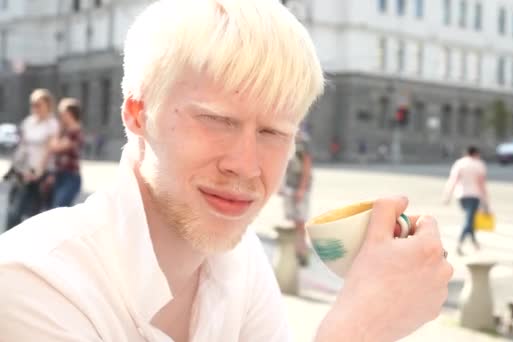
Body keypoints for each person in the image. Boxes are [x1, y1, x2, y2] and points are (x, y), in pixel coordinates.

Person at [0, 1, 452, 341]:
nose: (246, 164)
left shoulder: (240, 260)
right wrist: (362, 327)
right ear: (137, 114)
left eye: (275, 132)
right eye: (216, 121)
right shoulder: (33, 281)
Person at [7, 88, 59, 228]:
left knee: (33, 212)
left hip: (39, 173)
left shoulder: (52, 124)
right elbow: (22, 147)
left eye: (38, 104)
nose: (35, 107)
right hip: (23, 171)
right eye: (33, 104)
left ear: (48, 105)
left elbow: (49, 150)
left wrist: (38, 171)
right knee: (13, 209)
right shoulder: (28, 122)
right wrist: (14, 167)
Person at [443, 146, 490, 256]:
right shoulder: (479, 164)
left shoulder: (459, 163)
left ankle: (475, 243)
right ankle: (460, 243)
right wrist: (486, 201)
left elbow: (453, 180)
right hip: (474, 195)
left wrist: (447, 195)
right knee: (469, 220)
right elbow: (481, 184)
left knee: (470, 219)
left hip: (461, 195)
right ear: (476, 153)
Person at [282, 131, 313, 266]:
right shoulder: (289, 142)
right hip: (290, 186)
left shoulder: (303, 144)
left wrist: (301, 189)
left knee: (300, 221)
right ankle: (298, 249)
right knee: (294, 221)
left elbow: (307, 168)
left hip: (300, 188)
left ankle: (303, 252)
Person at [48, 98, 84, 208]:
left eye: (63, 113)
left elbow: (55, 147)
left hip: (71, 176)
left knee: (60, 206)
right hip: (59, 174)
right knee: (55, 208)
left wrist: (56, 134)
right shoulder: (65, 131)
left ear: (70, 113)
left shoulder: (76, 132)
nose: (60, 116)